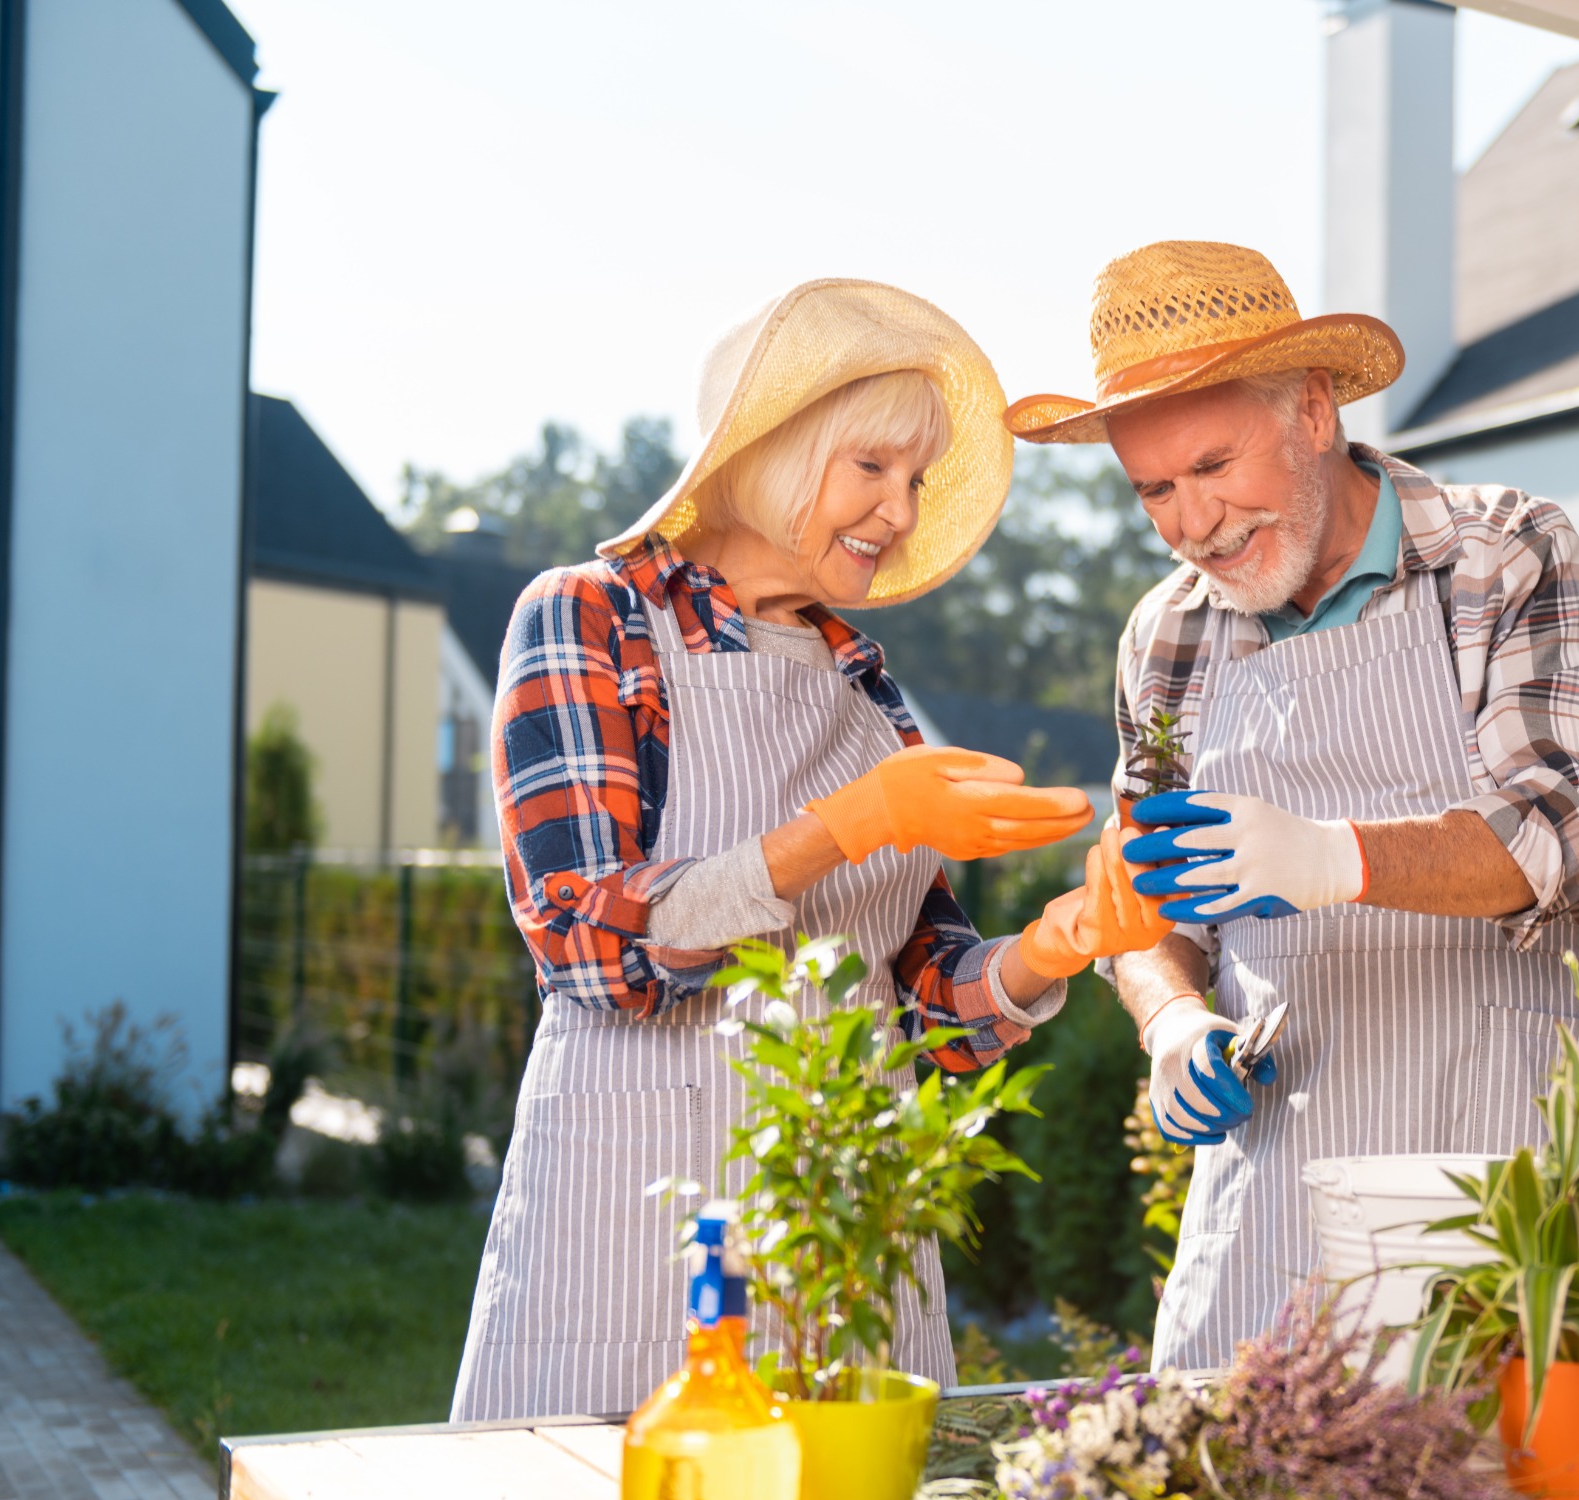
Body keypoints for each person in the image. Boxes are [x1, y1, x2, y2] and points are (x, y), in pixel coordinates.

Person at [455, 281, 1166, 1421]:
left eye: (917, 479)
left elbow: (931, 1006)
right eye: (872, 467)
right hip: (640, 1216)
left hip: (852, 1225)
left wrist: (1058, 943)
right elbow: (585, 938)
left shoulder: (863, 686)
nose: (900, 509)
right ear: (778, 455)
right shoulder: (593, 618)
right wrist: (844, 828)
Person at [1007, 242, 1579, 1371]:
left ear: (1312, 412)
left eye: (1213, 464)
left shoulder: (1501, 555)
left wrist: (1329, 857)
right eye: (1155, 489)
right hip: (1278, 1181)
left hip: (1508, 1152)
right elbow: (1143, 899)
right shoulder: (1169, 635)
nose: (1193, 521)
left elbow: (1566, 828)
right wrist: (1169, 1020)